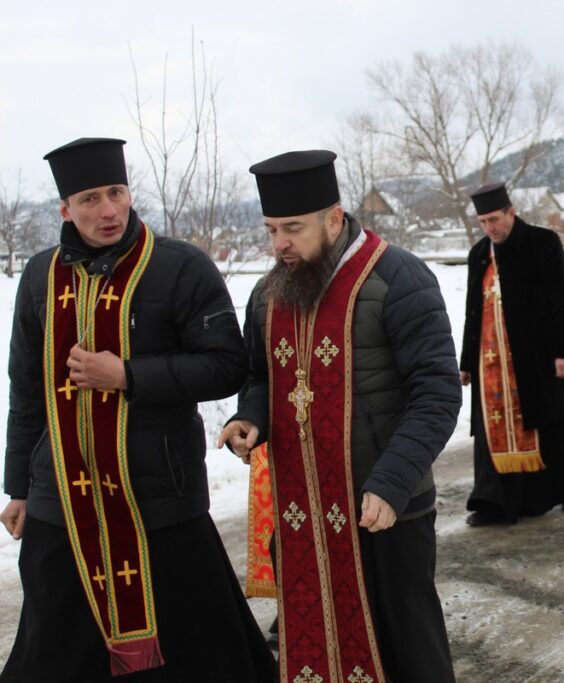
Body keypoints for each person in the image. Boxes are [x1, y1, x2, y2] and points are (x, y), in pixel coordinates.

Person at [0, 138, 275, 681]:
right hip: (64, 502)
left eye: (116, 192)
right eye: (89, 199)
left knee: (198, 653)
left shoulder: (179, 266)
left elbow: (226, 365)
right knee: (56, 653)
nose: (107, 210)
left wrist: (128, 375)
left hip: (160, 499)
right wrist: (20, 488)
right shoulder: (39, 276)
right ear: (64, 209)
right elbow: (27, 391)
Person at [218, 150, 460, 683]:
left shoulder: (399, 277)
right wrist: (250, 417)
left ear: (334, 217)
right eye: (271, 229)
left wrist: (392, 483)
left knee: (407, 648)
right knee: (313, 640)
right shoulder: (269, 291)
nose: (279, 243)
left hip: (382, 506)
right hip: (301, 508)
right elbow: (261, 376)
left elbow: (438, 393)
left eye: (293, 228)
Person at [460, 182, 564, 526]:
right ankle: (495, 501)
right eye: (483, 221)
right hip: (491, 363)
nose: (490, 227)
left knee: (552, 422)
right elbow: (473, 309)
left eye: (495, 219)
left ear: (511, 213)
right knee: (493, 429)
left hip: (538, 358)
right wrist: (466, 361)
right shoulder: (479, 254)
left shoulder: (543, 243)